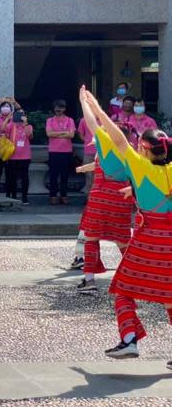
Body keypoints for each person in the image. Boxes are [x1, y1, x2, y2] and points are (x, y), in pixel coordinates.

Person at [78, 86, 172, 366]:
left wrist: (94, 106)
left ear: (143, 148)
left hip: (147, 239)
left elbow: (116, 139)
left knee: (123, 290)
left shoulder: (139, 165)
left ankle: (129, 338)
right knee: (170, 297)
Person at [74, 87, 134, 293]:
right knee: (123, 240)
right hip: (122, 200)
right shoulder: (132, 153)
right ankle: (134, 276)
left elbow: (92, 122)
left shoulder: (107, 144)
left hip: (100, 199)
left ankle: (89, 280)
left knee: (91, 239)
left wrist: (84, 101)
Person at [45, 100, 75, 205]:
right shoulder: (50, 120)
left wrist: (56, 134)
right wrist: (64, 133)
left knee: (65, 175)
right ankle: (53, 195)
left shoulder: (70, 120)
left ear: (64, 109)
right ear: (54, 108)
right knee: (53, 174)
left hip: (66, 151)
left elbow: (71, 135)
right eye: (57, 107)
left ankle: (64, 195)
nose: (59, 110)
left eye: (61, 107)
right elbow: (49, 134)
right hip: (54, 151)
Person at [4, 109, 33, 205]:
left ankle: (24, 197)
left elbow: (29, 135)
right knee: (13, 177)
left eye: (22, 114)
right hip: (13, 155)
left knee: (24, 177)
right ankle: (14, 195)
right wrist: (8, 118)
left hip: (25, 156)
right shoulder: (12, 125)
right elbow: (3, 129)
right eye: (18, 114)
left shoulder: (28, 126)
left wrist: (25, 123)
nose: (20, 116)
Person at [0, 99, 19, 193]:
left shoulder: (15, 118)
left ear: (11, 109)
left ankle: (9, 189)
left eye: (8, 106)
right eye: (3, 106)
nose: (5, 108)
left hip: (10, 147)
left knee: (10, 170)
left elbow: (20, 111)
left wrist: (14, 102)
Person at [77, 116, 96, 194]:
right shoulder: (84, 120)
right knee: (88, 174)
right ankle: (89, 197)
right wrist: (87, 141)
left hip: (102, 152)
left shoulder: (103, 119)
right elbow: (80, 133)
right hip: (89, 151)